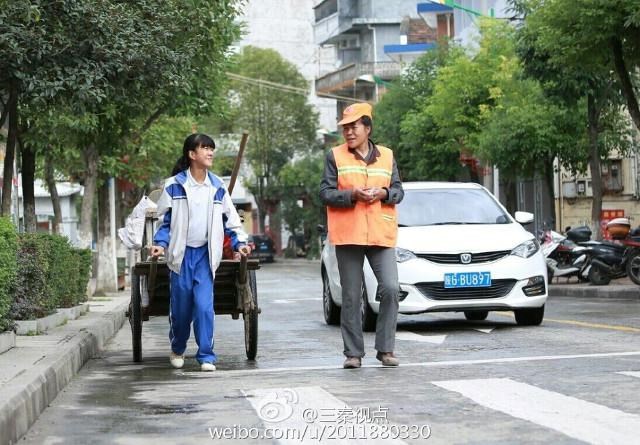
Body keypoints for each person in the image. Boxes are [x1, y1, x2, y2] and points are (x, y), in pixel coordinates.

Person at [150, 133, 251, 372]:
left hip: (206, 256)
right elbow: (164, 221)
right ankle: (178, 347)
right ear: (192, 154)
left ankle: (206, 355)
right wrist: (160, 244)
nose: (210, 152)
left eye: (211, 148)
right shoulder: (174, 185)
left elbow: (231, 219)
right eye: (205, 148)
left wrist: (240, 243)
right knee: (182, 309)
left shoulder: (217, 186)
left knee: (205, 307)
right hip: (181, 257)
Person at [319, 103, 404, 369]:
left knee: (390, 288)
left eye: (353, 127)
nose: (348, 132)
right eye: (345, 128)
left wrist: (384, 194)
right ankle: (353, 354)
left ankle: (386, 349)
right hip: (349, 234)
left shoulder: (387, 156)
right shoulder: (335, 156)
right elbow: (325, 193)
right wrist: (353, 195)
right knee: (352, 297)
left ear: (367, 128)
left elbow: (399, 191)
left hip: (381, 232)